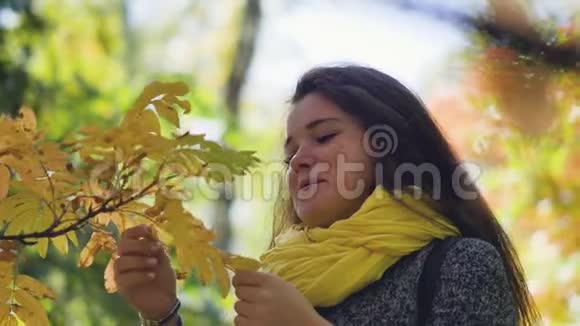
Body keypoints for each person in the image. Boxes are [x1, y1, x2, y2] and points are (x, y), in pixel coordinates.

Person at [114, 65, 540, 325]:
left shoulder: (461, 264)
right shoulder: (283, 281)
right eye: (290, 153)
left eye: (324, 136)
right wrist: (162, 315)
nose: (299, 159)